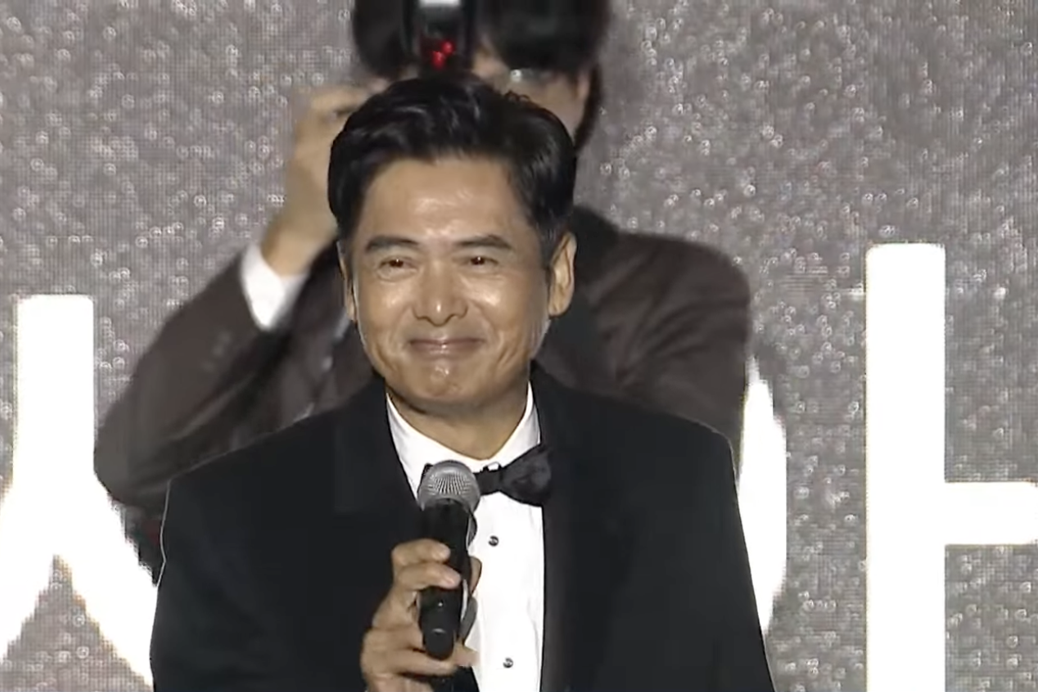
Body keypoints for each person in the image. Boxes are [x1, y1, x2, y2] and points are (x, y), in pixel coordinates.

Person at [147, 77, 774, 692]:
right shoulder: (236, 519)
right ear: (350, 284)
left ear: (557, 275)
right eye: (397, 262)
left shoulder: (674, 480)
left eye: (479, 259)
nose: (438, 305)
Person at [95, 0, 754, 577]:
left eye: (520, 76)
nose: (481, 107)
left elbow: (669, 513)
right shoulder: (328, 294)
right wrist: (296, 236)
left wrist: (523, 269)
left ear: (581, 89)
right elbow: (138, 465)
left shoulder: (668, 289)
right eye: (447, 79)